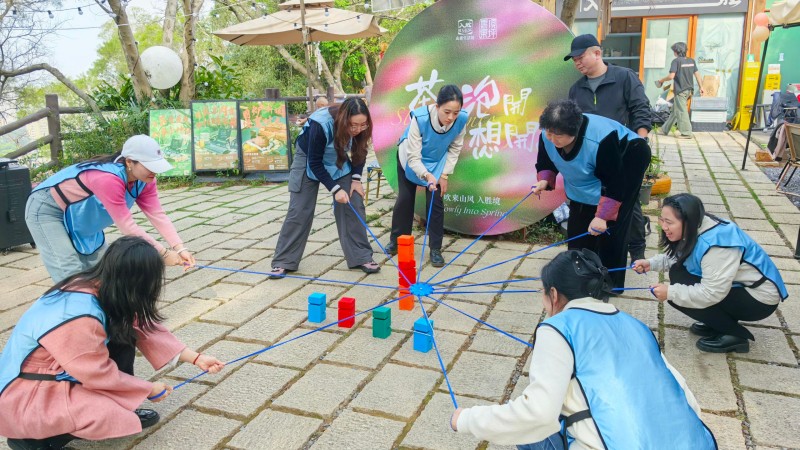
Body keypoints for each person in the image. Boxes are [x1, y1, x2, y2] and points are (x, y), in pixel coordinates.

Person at [450, 249, 716, 450]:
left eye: (542, 293)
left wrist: (466, 419)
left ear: (554, 294)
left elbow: (537, 414)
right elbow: (684, 396)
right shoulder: (637, 326)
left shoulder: (558, 328)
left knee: (528, 429)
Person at [0, 236, 225, 450]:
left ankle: (115, 401)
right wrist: (146, 389)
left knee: (123, 332)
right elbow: (95, 372)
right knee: (110, 416)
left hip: (54, 372)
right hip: (25, 393)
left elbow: (144, 327)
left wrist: (196, 358)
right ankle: (35, 438)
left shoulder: (98, 284)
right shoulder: (80, 315)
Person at [25, 135, 195, 284]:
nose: (154, 171)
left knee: (105, 273)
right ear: (129, 162)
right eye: (149, 165)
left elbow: (157, 215)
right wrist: (163, 254)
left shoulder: (146, 180)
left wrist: (180, 248)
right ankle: (74, 309)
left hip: (81, 216)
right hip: (47, 210)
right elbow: (127, 227)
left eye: (157, 165)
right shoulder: (108, 178)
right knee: (71, 273)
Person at [634, 194, 788, 353]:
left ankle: (735, 335)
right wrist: (651, 263)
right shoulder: (696, 226)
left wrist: (671, 292)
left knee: (678, 292)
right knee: (679, 274)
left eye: (669, 222)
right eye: (662, 220)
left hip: (759, 299)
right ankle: (717, 321)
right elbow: (681, 256)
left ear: (688, 221)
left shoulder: (717, 246)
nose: (664, 227)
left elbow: (712, 292)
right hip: (739, 287)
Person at [532, 100, 650, 288]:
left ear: (575, 131)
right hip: (595, 170)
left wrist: (602, 217)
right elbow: (546, 160)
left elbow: (614, 183)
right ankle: (579, 275)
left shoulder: (601, 141)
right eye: (548, 132)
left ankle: (608, 283)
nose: (551, 138)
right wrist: (544, 180)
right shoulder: (549, 134)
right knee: (579, 216)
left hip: (629, 157)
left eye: (558, 135)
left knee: (612, 224)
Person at [564, 34, 651, 264]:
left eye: (580, 57)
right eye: (574, 60)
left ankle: (637, 252)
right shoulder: (576, 89)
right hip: (591, 157)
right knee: (599, 201)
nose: (577, 63)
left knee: (628, 203)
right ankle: (597, 254)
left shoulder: (624, 77)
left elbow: (641, 109)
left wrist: (640, 142)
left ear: (597, 53)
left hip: (623, 154)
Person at [269, 97, 379, 278]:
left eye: (362, 125)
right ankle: (284, 261)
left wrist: (356, 180)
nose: (357, 129)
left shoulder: (362, 126)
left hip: (337, 156)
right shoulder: (320, 124)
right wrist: (335, 189)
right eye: (353, 125)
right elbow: (315, 162)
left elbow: (360, 151)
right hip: (308, 159)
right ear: (344, 119)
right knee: (300, 209)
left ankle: (361, 256)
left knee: (354, 201)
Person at [384, 85, 467, 267]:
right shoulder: (420, 118)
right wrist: (427, 176)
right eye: (447, 112)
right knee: (405, 199)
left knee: (435, 203)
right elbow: (413, 157)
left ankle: (435, 249)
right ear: (437, 106)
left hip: (436, 162)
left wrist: (444, 175)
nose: (451, 117)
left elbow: (455, 148)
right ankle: (397, 241)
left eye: (455, 112)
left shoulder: (461, 120)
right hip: (410, 158)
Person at [656, 42, 705, 139]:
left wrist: (661, 80)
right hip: (688, 90)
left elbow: (671, 76)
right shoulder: (691, 61)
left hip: (680, 90)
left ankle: (687, 133)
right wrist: (701, 87)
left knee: (681, 111)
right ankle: (664, 129)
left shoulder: (676, 61)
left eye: (673, 51)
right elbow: (697, 75)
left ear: (676, 51)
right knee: (675, 110)